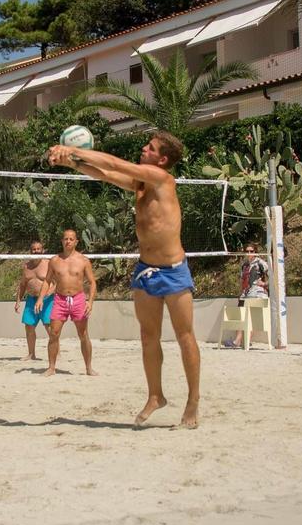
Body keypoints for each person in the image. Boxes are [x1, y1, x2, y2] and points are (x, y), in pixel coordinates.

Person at [48, 132, 200, 428]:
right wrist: (72, 162)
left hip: (173, 269)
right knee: (148, 337)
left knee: (185, 337)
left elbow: (117, 162)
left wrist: (72, 149)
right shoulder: (142, 185)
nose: (144, 149)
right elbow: (106, 173)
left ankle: (193, 401)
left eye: (151, 148)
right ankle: (156, 395)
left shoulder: (161, 179)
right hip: (146, 269)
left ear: (162, 159)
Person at [35, 229, 98, 377]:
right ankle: (51, 367)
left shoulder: (83, 260)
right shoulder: (55, 261)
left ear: (76, 241)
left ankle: (88, 368)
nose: (68, 241)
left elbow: (92, 283)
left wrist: (90, 302)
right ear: (62, 241)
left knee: (83, 335)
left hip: (78, 300)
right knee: (54, 334)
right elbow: (47, 281)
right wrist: (40, 298)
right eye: (65, 239)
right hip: (60, 300)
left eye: (71, 239)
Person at [223, 242, 269, 349]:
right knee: (240, 316)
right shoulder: (244, 265)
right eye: (247, 251)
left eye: (251, 251)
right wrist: (241, 293)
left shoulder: (261, 263)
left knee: (250, 317)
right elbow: (242, 280)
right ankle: (244, 340)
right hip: (245, 293)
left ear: (255, 252)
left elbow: (273, 275)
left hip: (257, 294)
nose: (249, 253)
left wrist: (264, 284)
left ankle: (237, 341)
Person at [14, 240, 54, 360]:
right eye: (34, 249)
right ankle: (31, 354)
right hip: (31, 299)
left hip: (47, 300)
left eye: (38, 249)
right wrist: (18, 301)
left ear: (42, 250)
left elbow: (58, 283)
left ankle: (56, 352)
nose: (36, 251)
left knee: (50, 327)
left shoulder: (48, 264)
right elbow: (22, 285)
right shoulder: (26, 266)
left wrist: (47, 294)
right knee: (29, 327)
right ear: (30, 251)